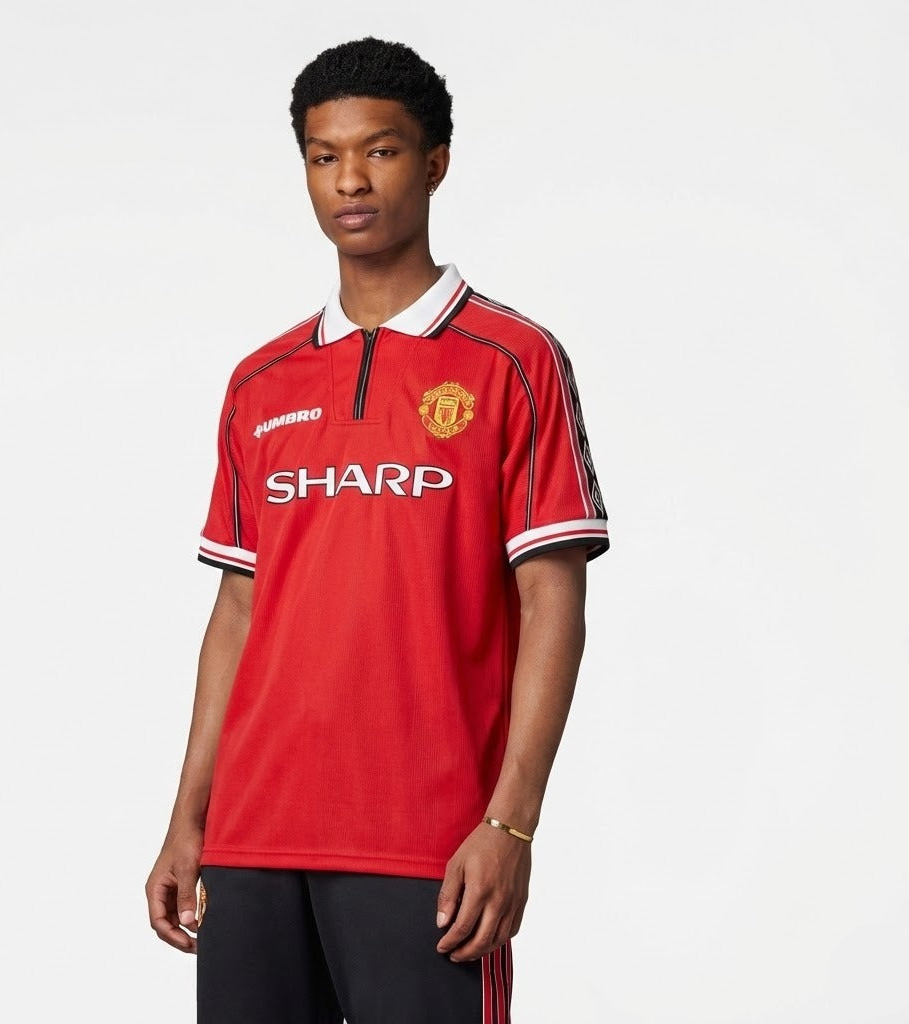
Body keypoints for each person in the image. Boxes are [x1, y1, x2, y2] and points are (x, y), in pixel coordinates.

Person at [146, 35, 611, 1023]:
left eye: (380, 151)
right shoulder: (262, 381)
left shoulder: (511, 360)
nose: (349, 180)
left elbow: (552, 603)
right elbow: (238, 611)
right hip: (253, 841)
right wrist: (189, 818)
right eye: (324, 156)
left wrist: (510, 825)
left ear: (435, 163)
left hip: (427, 843)